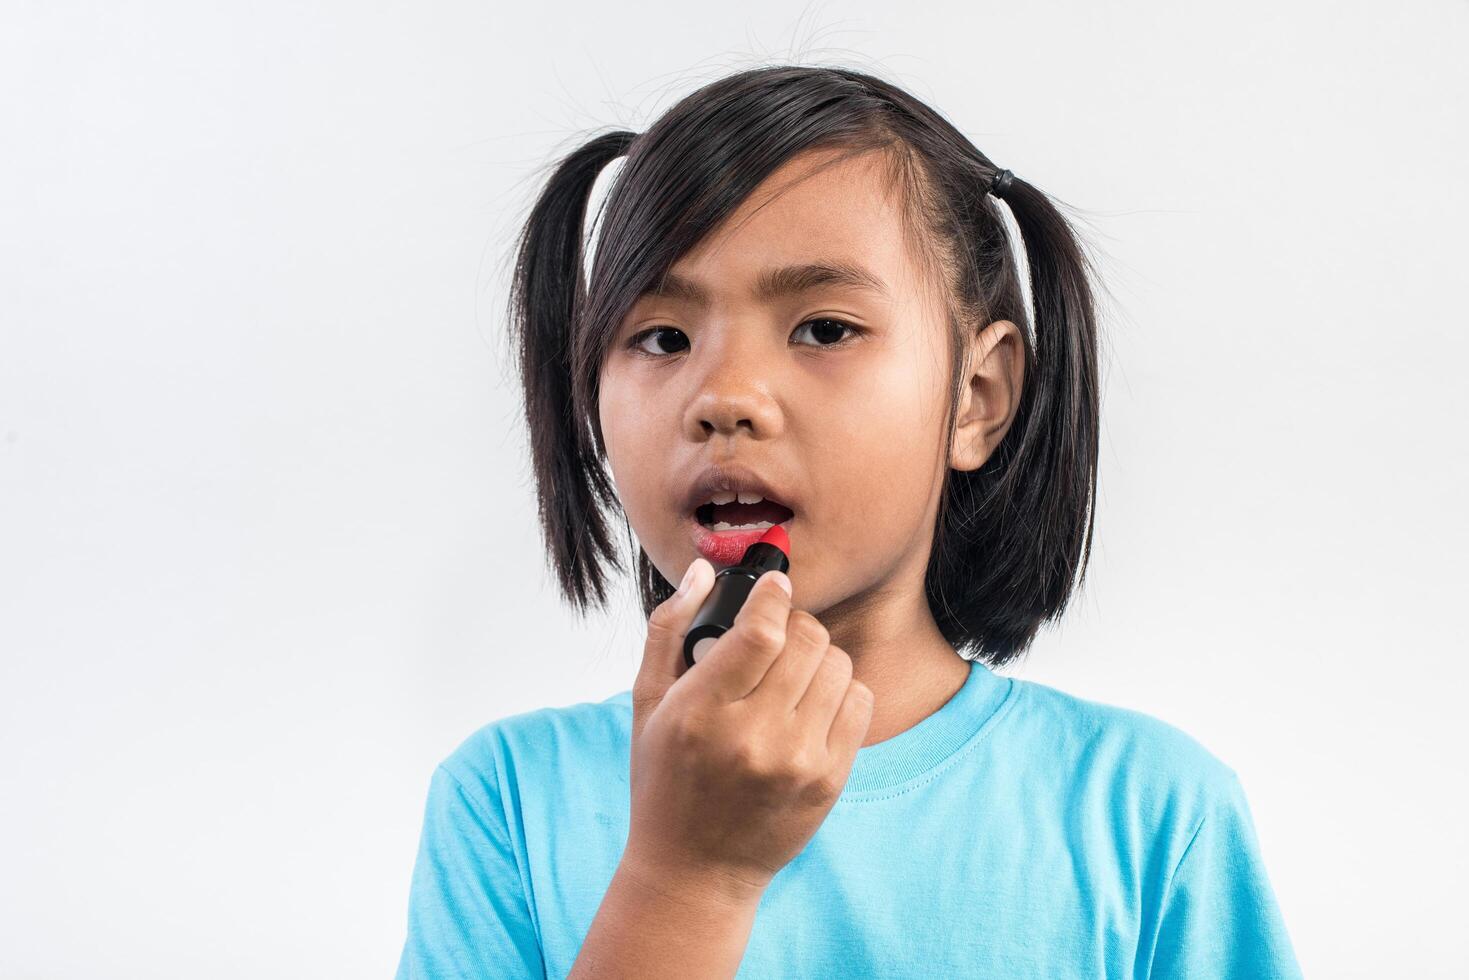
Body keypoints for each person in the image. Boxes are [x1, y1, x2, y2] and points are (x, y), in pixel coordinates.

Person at [394, 64, 1303, 978]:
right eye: (661, 338)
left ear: (975, 398)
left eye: (824, 329)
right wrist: (686, 876)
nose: (724, 398)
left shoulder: (1149, 814)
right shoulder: (507, 802)